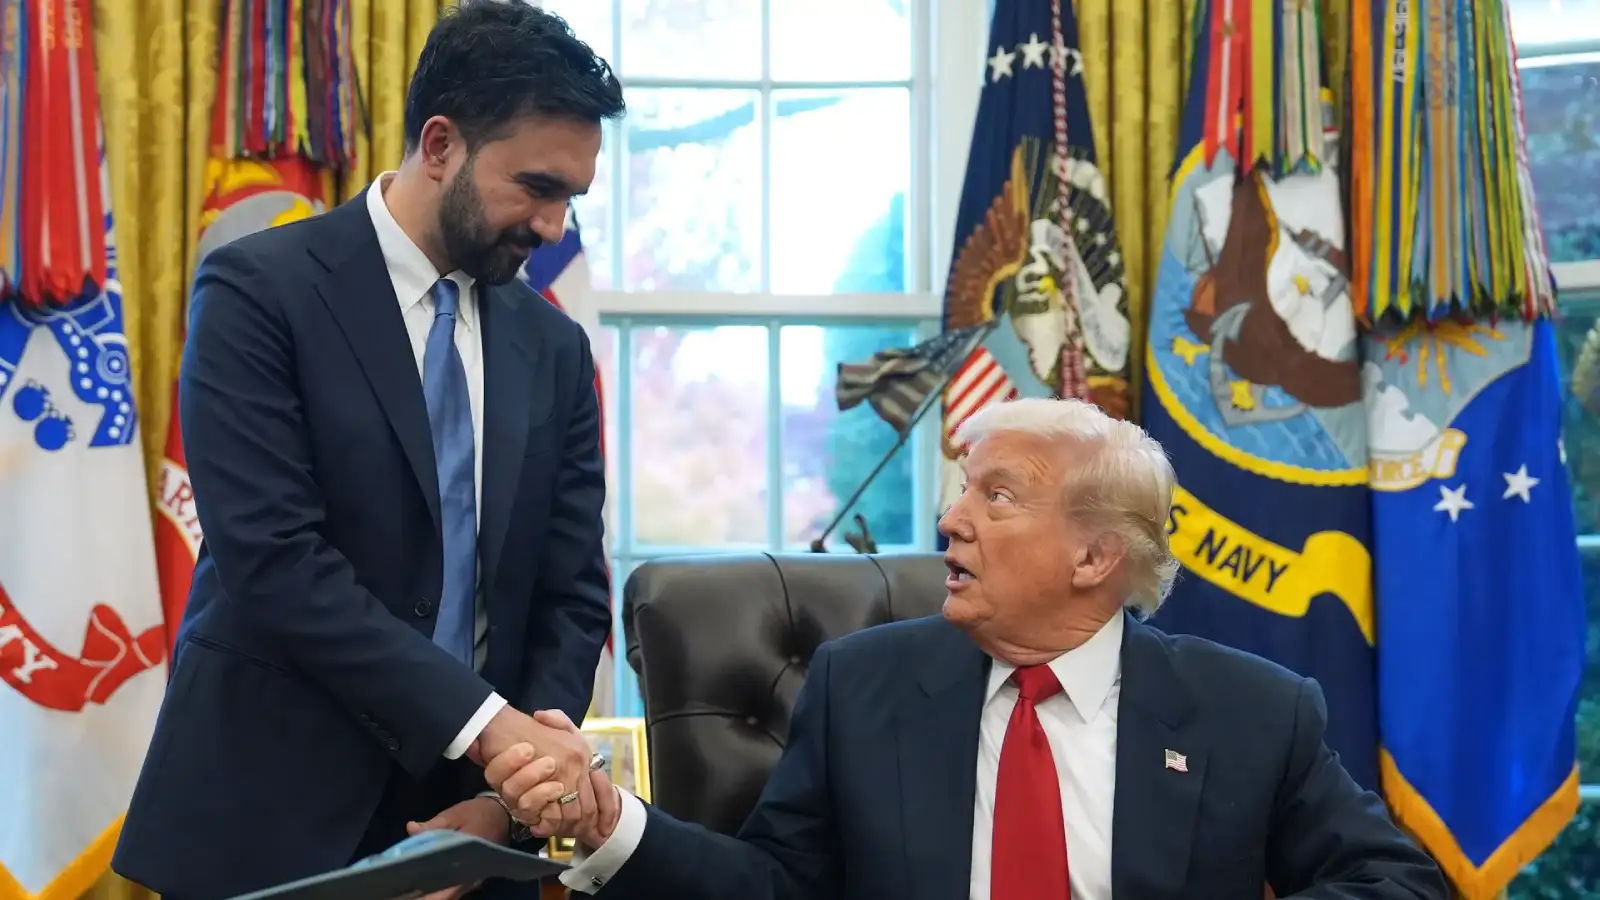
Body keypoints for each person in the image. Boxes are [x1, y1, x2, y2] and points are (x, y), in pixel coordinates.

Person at [486, 397, 1449, 900]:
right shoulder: (862, 686)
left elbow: (1399, 882)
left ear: (1095, 556)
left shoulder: (1250, 710)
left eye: (998, 496)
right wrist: (611, 823)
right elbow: (776, 887)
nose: (951, 520)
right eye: (961, 491)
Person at [111, 4, 624, 898]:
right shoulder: (258, 291)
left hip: (473, 828)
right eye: (537, 187)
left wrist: (510, 796)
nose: (552, 226)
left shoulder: (554, 347)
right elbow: (275, 562)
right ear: (441, 145)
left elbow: (572, 593)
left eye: (571, 198)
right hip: (266, 817)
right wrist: (490, 728)